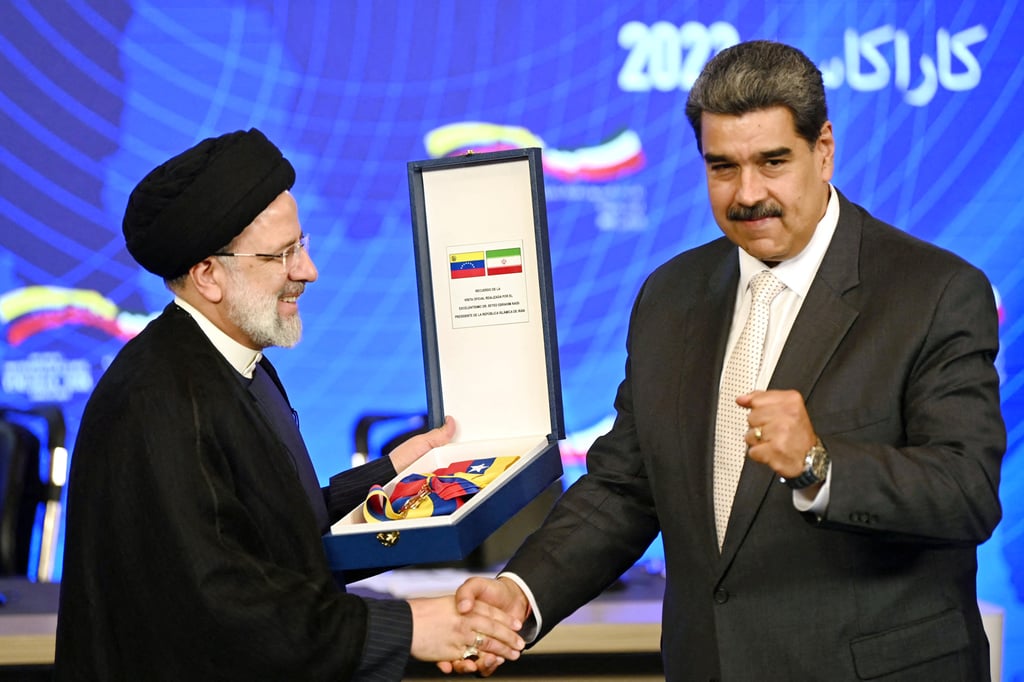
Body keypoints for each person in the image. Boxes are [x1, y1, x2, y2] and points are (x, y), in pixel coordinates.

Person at [450, 40, 1005, 681]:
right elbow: (625, 487)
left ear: (823, 150)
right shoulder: (670, 296)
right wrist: (523, 590)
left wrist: (819, 466)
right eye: (722, 167)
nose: (747, 194)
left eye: (773, 162)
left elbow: (966, 494)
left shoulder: (933, 291)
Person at [54, 128, 523, 681]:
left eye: (302, 244)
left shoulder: (233, 366)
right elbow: (222, 609)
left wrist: (394, 475)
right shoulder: (158, 400)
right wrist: (411, 627)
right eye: (283, 254)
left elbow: (277, 537)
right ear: (209, 275)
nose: (308, 271)